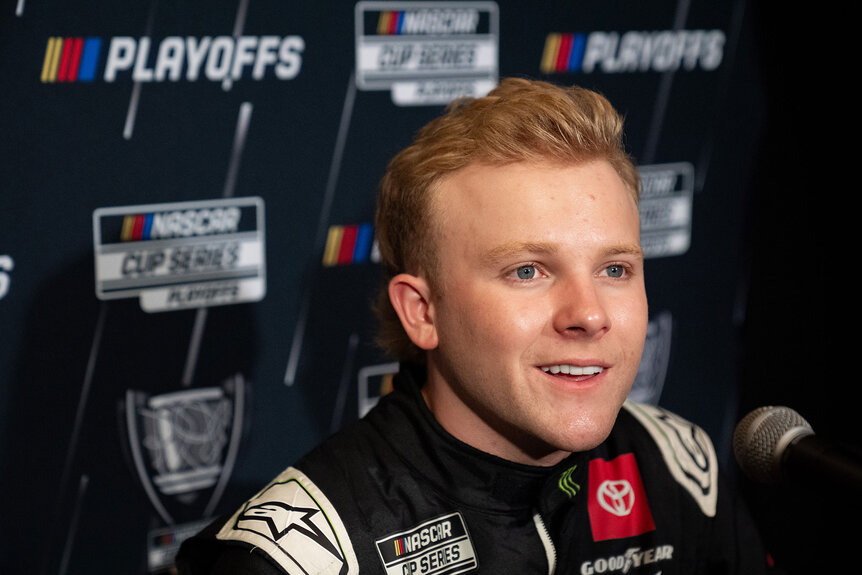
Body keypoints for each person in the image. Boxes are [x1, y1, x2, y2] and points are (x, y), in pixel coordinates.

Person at [176, 77, 773, 574]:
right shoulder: (299, 558)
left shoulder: (677, 466)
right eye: (528, 271)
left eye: (615, 267)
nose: (590, 314)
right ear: (422, 312)